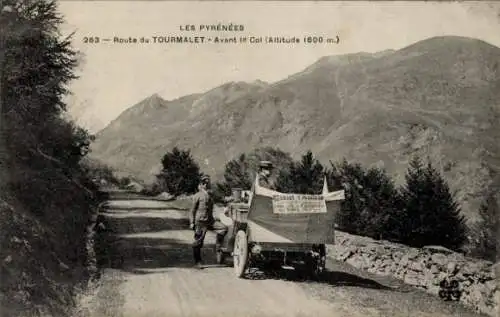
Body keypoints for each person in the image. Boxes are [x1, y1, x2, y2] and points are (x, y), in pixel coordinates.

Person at [190, 175, 228, 269]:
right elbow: (192, 210)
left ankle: (218, 248)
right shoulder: (197, 196)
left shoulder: (210, 195)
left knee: (223, 228)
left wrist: (225, 207)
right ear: (201, 184)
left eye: (208, 183)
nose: (206, 185)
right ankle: (198, 262)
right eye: (204, 183)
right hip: (200, 222)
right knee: (198, 242)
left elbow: (220, 200)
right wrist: (192, 222)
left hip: (210, 221)